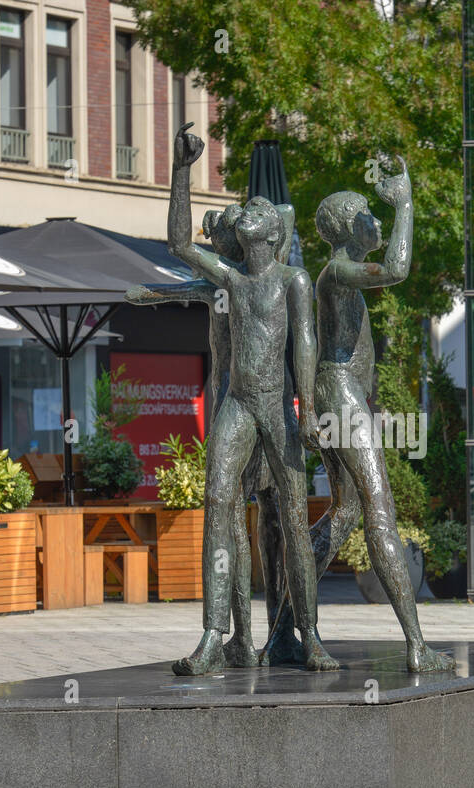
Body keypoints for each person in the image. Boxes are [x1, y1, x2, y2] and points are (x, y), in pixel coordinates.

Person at [258, 158, 453, 674]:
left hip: (340, 395)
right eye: (369, 214)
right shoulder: (339, 271)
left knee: (344, 515)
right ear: (347, 228)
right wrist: (407, 203)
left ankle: (282, 631)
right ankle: (415, 644)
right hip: (340, 397)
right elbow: (396, 269)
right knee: (379, 511)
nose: (377, 221)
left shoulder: (333, 274)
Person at [165, 121, 333, 675]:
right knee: (218, 500)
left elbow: (305, 344)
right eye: (251, 208)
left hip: (278, 407)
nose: (251, 207)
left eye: (258, 208)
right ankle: (214, 635)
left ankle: (308, 635)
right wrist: (181, 171)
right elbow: (181, 243)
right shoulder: (233, 280)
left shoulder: (292, 280)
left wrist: (307, 408)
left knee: (291, 517)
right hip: (238, 404)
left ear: (271, 232)